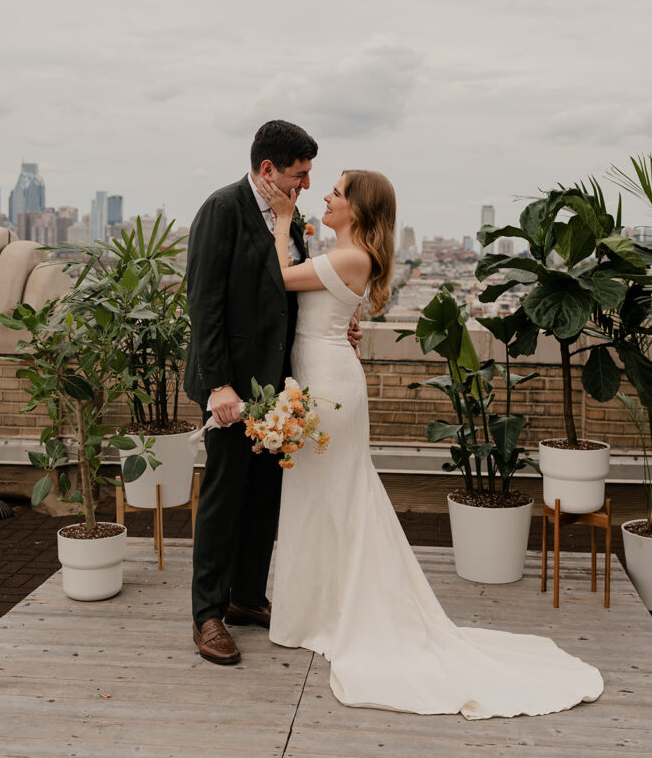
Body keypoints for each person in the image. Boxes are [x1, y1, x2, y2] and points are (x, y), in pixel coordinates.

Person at [257, 169, 604, 720]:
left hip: (327, 388)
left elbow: (278, 278)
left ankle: (328, 612)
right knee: (321, 500)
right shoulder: (343, 252)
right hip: (319, 376)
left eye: (337, 192)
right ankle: (320, 609)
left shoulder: (351, 257)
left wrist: (280, 221)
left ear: (360, 209)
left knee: (333, 499)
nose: (326, 195)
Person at [184, 120, 361, 665]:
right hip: (232, 388)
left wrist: (342, 324)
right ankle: (207, 614)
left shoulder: (295, 221)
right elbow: (204, 302)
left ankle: (245, 596)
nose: (306, 185)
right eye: (299, 175)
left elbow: (295, 293)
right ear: (268, 170)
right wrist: (218, 384)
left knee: (264, 495)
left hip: (279, 388)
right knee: (224, 494)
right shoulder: (222, 209)